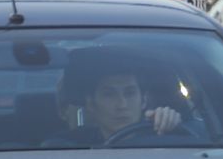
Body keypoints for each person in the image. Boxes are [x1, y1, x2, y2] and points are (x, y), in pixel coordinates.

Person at [52, 49, 186, 144]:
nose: (122, 104)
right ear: (91, 104)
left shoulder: (166, 139)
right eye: (109, 95)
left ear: (143, 101)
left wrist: (171, 125)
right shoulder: (73, 146)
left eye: (130, 93)